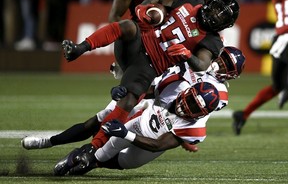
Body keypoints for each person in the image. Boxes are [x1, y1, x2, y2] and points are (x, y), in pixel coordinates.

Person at [61, 0, 239, 150]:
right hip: (139, 41)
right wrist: (144, 8)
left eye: (222, 16)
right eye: (217, 9)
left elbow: (201, 64)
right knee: (128, 26)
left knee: (128, 101)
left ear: (225, 24)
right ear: (210, 3)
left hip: (149, 67)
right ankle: (79, 48)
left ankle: (93, 148)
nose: (216, 15)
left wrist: (187, 55)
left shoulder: (212, 41)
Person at [52, 46, 245, 175]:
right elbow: (163, 68)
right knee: (105, 123)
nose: (218, 64)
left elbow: (196, 107)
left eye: (225, 65)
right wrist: (131, 79)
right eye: (221, 59)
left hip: (170, 117)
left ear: (231, 75)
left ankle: (91, 159)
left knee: (125, 159)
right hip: (153, 99)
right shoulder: (198, 59)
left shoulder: (218, 93)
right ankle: (82, 151)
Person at [232, 0, 288, 135]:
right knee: (280, 86)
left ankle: (243, 114)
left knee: (276, 86)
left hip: (279, 41)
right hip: (285, 39)